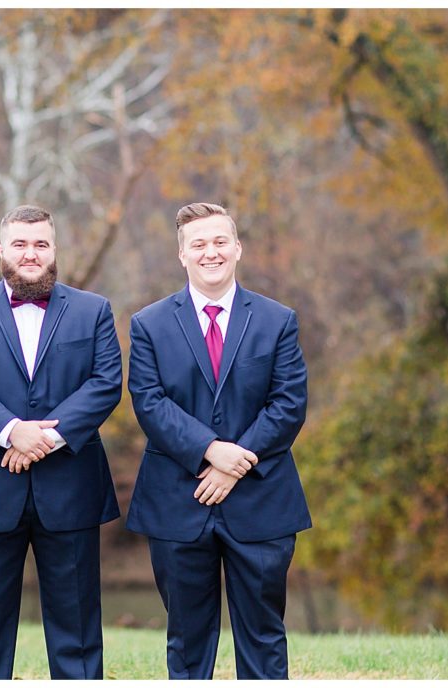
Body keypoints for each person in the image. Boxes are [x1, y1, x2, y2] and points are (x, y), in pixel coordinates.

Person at [0, 204, 123, 680]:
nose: (31, 253)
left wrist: (44, 438)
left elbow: (105, 384)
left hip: (72, 486)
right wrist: (10, 431)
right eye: (20, 244)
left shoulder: (93, 310)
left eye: (41, 244)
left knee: (78, 631)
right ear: (2, 250)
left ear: (54, 250)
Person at [126, 202, 311, 679]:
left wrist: (236, 463)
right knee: (186, 642)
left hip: (261, 501)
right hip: (178, 502)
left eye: (220, 241)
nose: (211, 252)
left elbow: (288, 404)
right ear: (182, 255)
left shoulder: (277, 320)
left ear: (238, 248)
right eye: (199, 244)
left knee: (264, 636)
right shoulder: (149, 324)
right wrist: (211, 451)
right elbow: (149, 402)